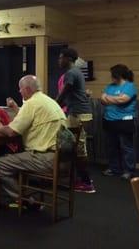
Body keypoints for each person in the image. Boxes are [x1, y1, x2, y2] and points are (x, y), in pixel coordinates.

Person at [0, 75, 66, 206]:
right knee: (15, 157)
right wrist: (15, 108)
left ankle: (27, 201)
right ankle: (21, 194)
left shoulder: (32, 103)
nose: (19, 92)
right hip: (63, 158)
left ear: (26, 89)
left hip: (45, 158)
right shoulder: (48, 100)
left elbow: (11, 132)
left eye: (20, 89)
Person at [55, 48, 96, 193]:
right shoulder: (75, 72)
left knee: (77, 149)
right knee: (77, 147)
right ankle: (83, 179)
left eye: (61, 58)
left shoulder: (71, 73)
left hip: (78, 114)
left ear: (68, 59)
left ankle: (86, 183)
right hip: (80, 113)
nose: (59, 61)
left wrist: (52, 107)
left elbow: (63, 94)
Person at [101, 64, 138, 180]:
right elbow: (102, 99)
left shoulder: (129, 86)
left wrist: (109, 98)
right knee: (112, 146)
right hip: (109, 119)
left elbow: (123, 100)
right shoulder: (109, 86)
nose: (111, 76)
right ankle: (114, 168)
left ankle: (129, 171)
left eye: (112, 74)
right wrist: (113, 99)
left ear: (118, 74)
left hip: (124, 120)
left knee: (126, 147)